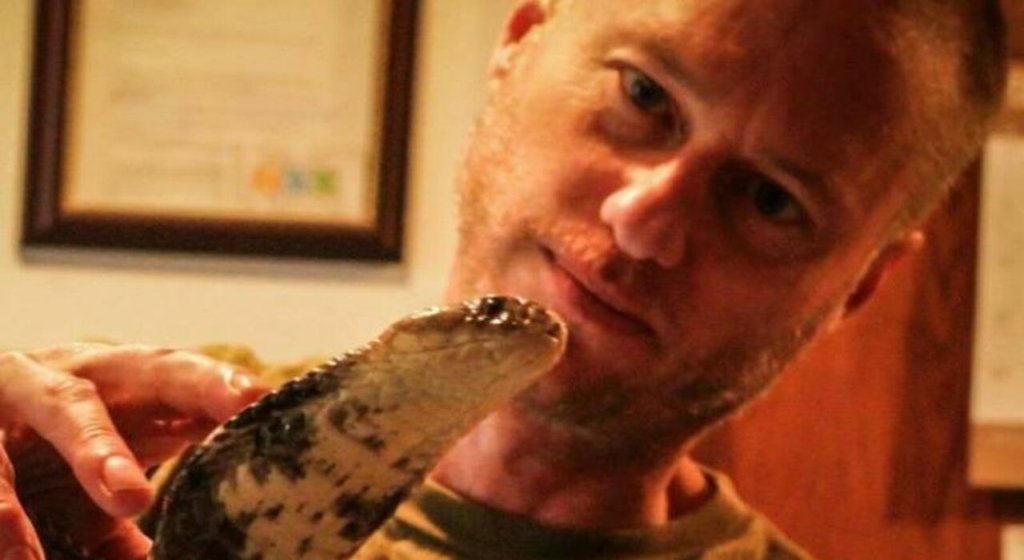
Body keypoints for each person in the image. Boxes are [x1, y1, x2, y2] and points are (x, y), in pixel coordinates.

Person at [0, 0, 1008, 558]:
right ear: (520, 44)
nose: (645, 220)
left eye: (770, 200)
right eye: (644, 95)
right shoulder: (117, 466)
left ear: (860, 284)